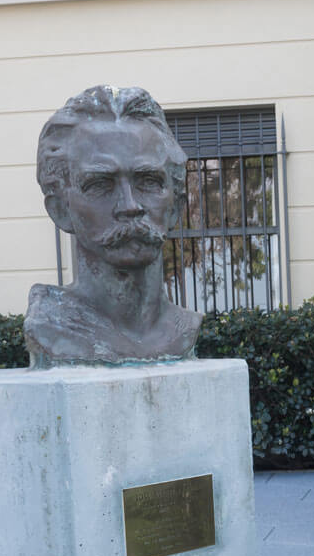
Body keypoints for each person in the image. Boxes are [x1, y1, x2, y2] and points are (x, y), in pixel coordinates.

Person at [25, 85, 202, 367]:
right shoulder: (50, 325)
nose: (130, 205)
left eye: (148, 181)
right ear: (60, 211)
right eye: (100, 184)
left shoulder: (184, 329)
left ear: (176, 205)